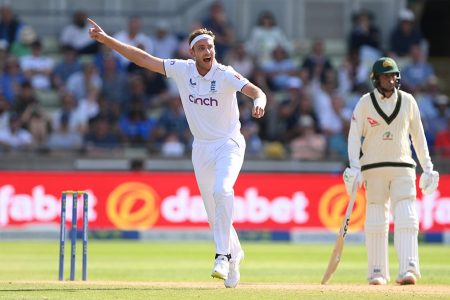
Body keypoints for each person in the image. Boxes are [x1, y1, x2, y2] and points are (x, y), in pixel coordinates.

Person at [88, 18, 267, 288]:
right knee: (213, 211)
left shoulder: (226, 73)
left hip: (229, 142)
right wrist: (107, 39)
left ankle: (222, 255)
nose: (208, 52)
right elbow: (142, 59)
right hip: (201, 147)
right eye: (202, 48)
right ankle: (235, 255)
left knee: (223, 191)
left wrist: (259, 101)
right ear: (192, 52)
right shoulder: (182, 70)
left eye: (211, 47)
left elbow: (256, 91)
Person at [343, 57, 439, 285]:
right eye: (387, 76)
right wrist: (354, 165)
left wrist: (428, 167)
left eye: (394, 75)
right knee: (376, 218)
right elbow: (354, 135)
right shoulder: (365, 103)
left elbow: (418, 136)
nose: (392, 79)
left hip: (403, 166)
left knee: (406, 215)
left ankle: (408, 268)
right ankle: (377, 271)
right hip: (373, 168)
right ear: (376, 79)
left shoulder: (408, 101)